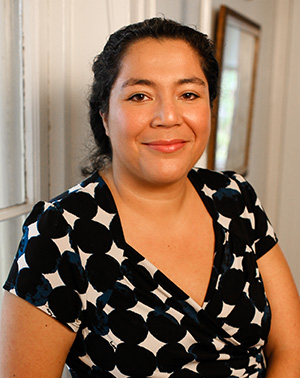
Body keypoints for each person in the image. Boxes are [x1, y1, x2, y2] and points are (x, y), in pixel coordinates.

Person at [0, 17, 300, 378]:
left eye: (188, 94)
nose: (168, 117)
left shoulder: (235, 198)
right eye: (140, 95)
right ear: (105, 116)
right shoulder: (60, 234)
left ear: (210, 108)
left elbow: (291, 349)